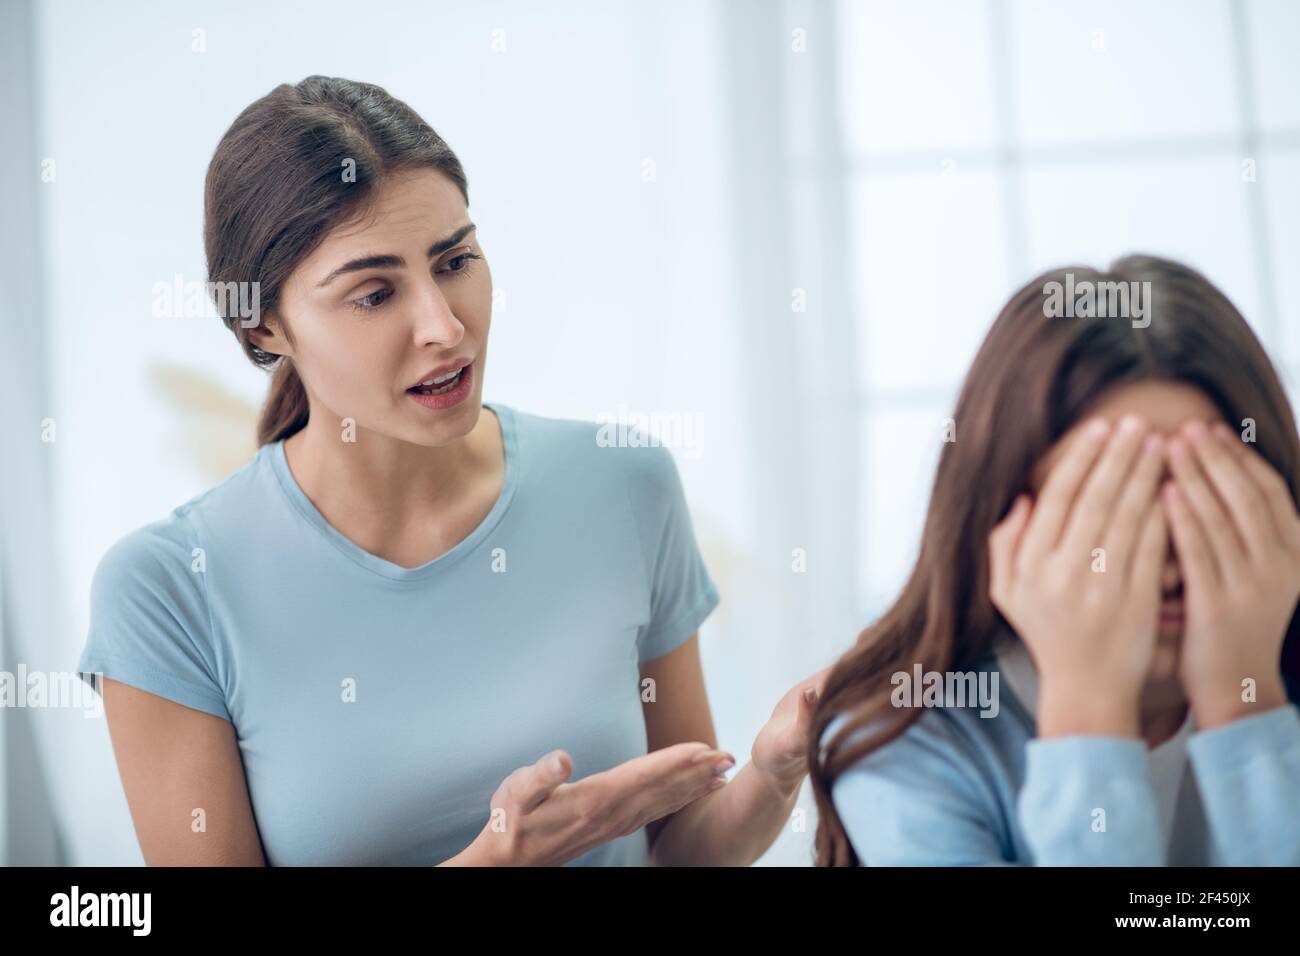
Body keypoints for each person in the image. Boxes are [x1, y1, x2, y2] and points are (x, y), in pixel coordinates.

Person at [78, 76, 822, 866]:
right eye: (373, 294)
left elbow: (677, 848)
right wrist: (496, 860)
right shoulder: (166, 590)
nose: (444, 325)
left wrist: (773, 777)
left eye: (456, 260)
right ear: (263, 323)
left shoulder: (624, 485)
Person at [811, 255, 1300, 866]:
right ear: (1001, 517)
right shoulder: (906, 744)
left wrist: (1245, 703)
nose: (1167, 563)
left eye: (1207, 493)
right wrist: (1087, 710)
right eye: (1107, 502)